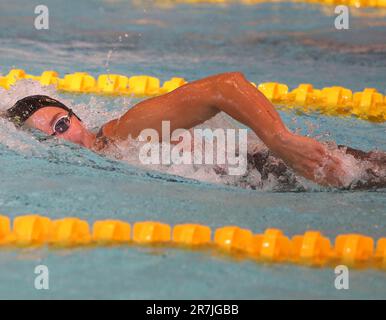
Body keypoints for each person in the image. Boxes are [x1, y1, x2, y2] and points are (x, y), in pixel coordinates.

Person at [4, 72, 386, 189]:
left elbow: (223, 87)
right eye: (49, 138)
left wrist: (281, 141)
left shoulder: (123, 133)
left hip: (285, 166)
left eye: (61, 124)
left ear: (78, 117)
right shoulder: (107, 158)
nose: (64, 140)